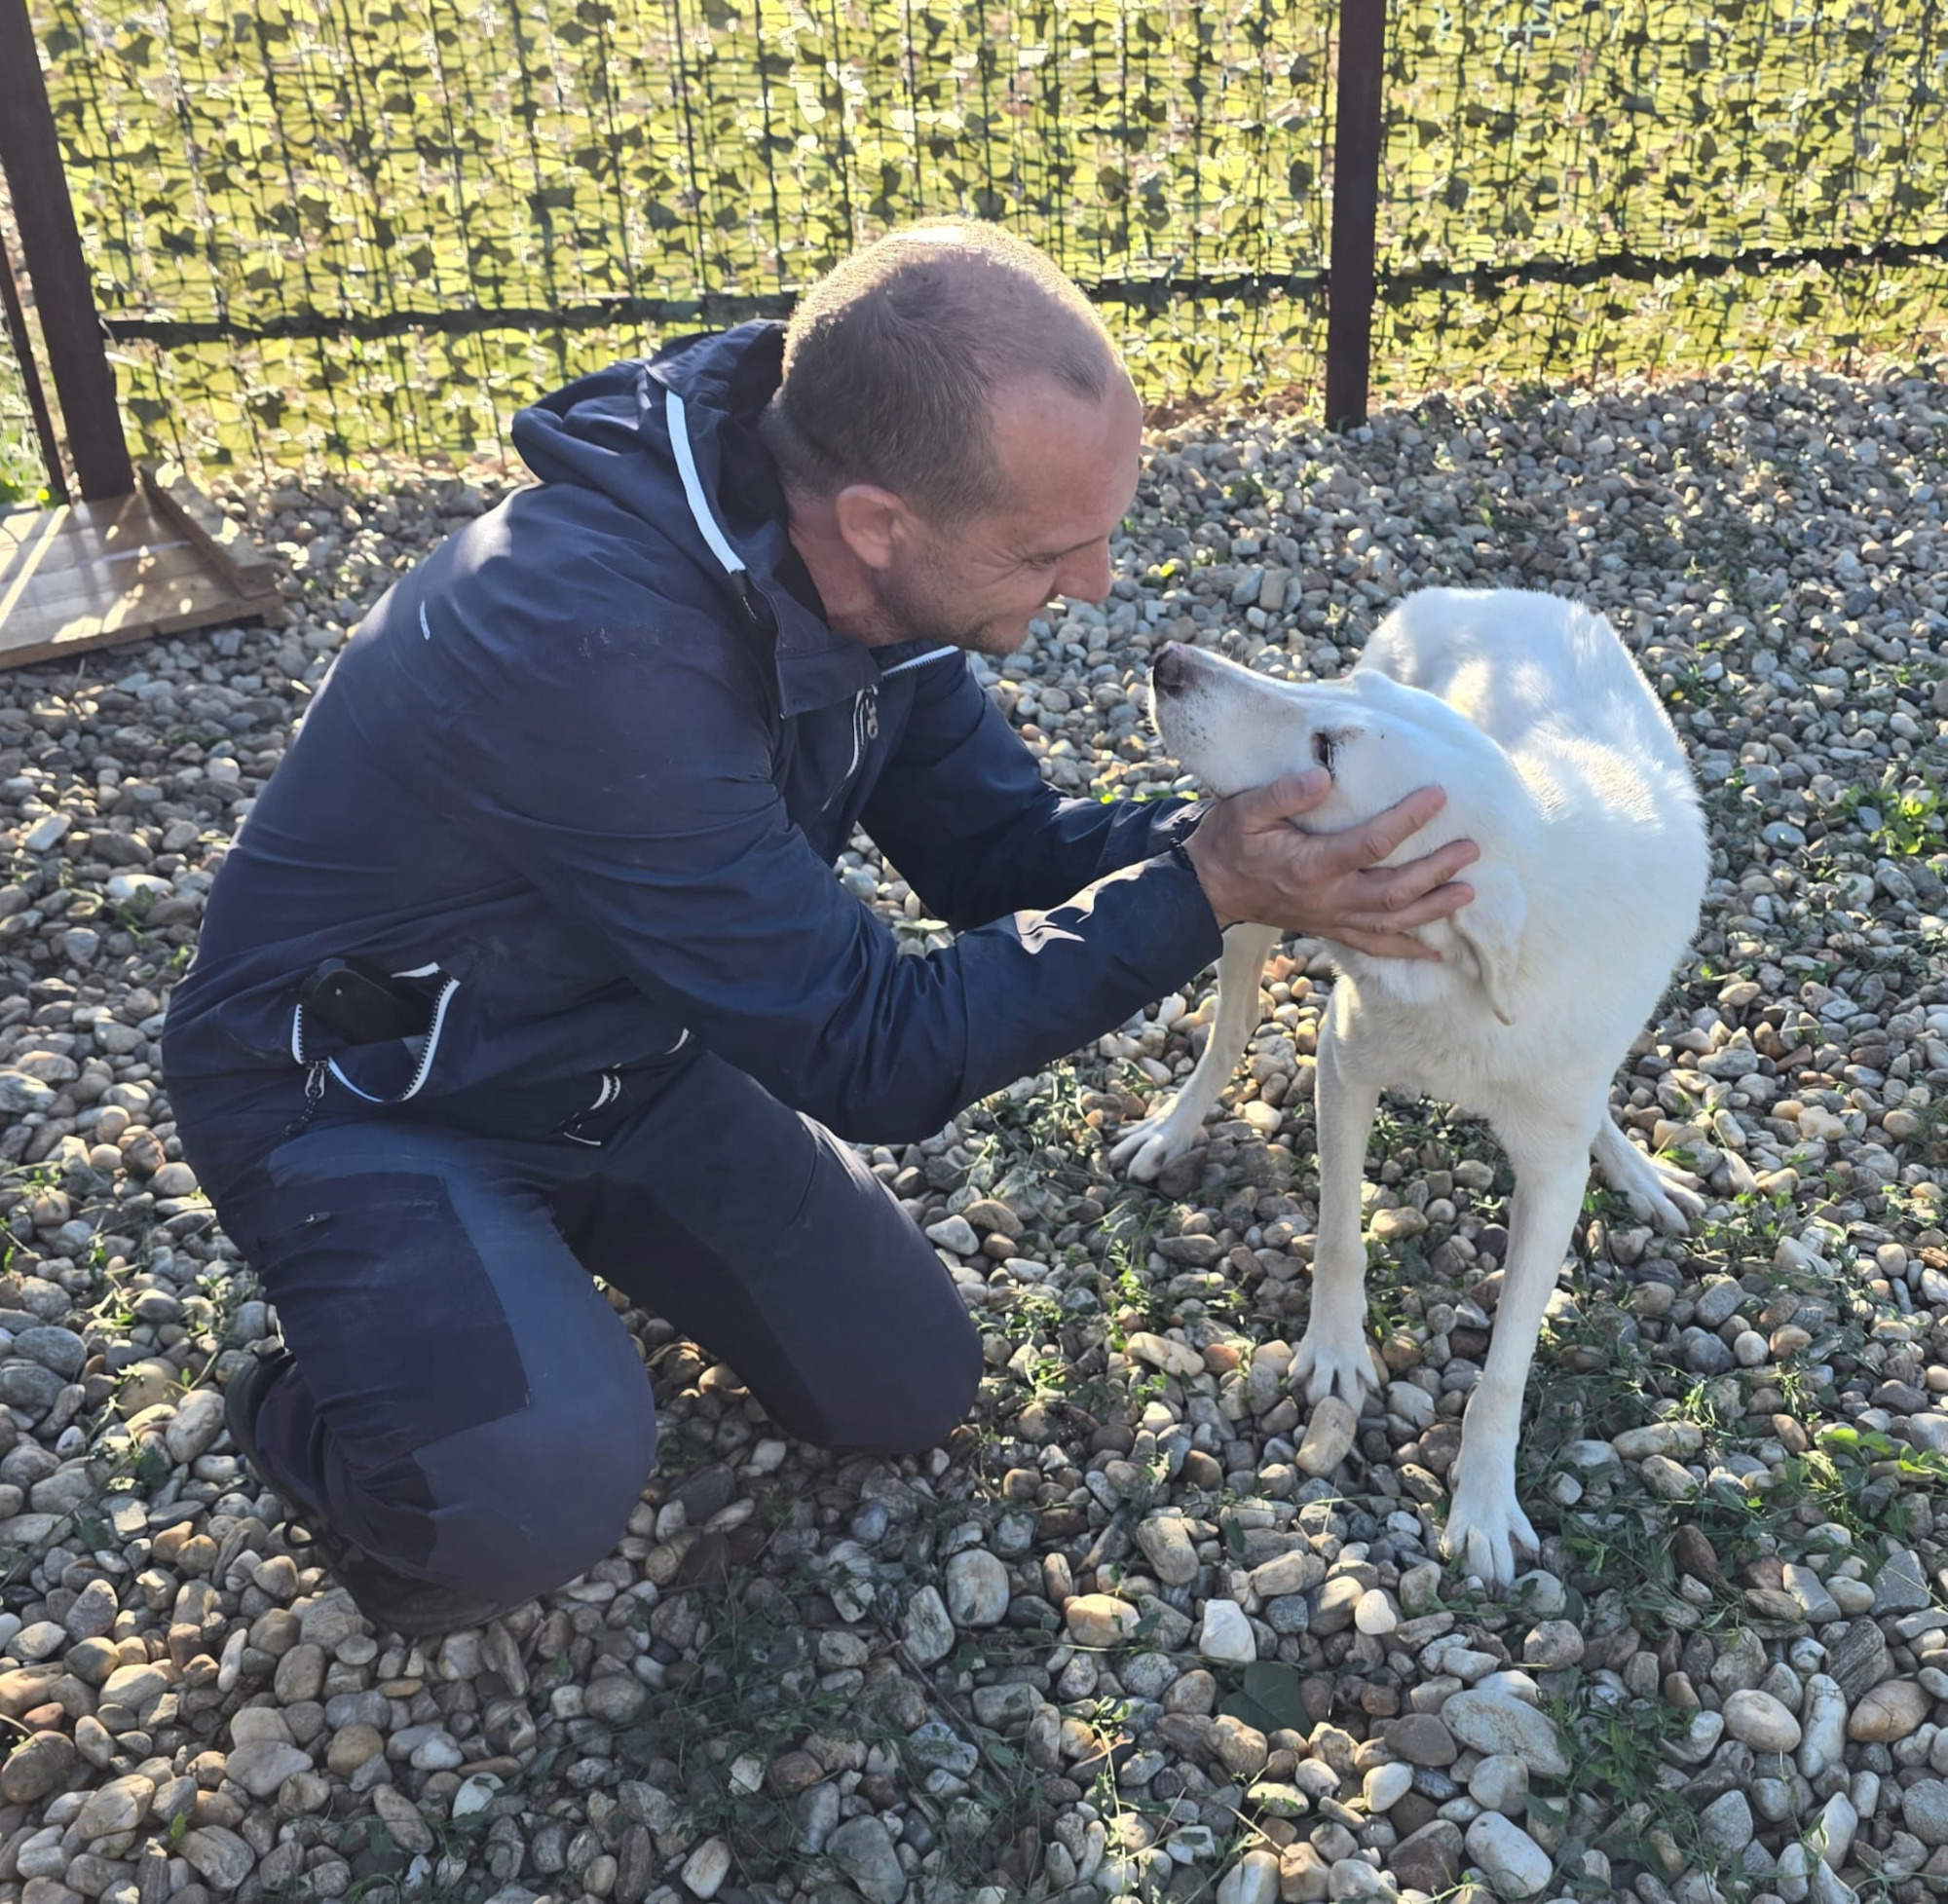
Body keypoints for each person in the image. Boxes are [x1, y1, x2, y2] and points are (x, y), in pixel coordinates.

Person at [162, 219, 1478, 1637]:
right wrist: (1210, 889)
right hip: (368, 1094)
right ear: (876, 523)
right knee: (526, 1492)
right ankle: (327, 1416)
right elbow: (869, 1052)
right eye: (1052, 548)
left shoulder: (854, 588)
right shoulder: (593, 649)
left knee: (902, 1385)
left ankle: (520, 1288)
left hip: (626, 1056)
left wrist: (1269, 839)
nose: (1096, 583)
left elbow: (1000, 853)